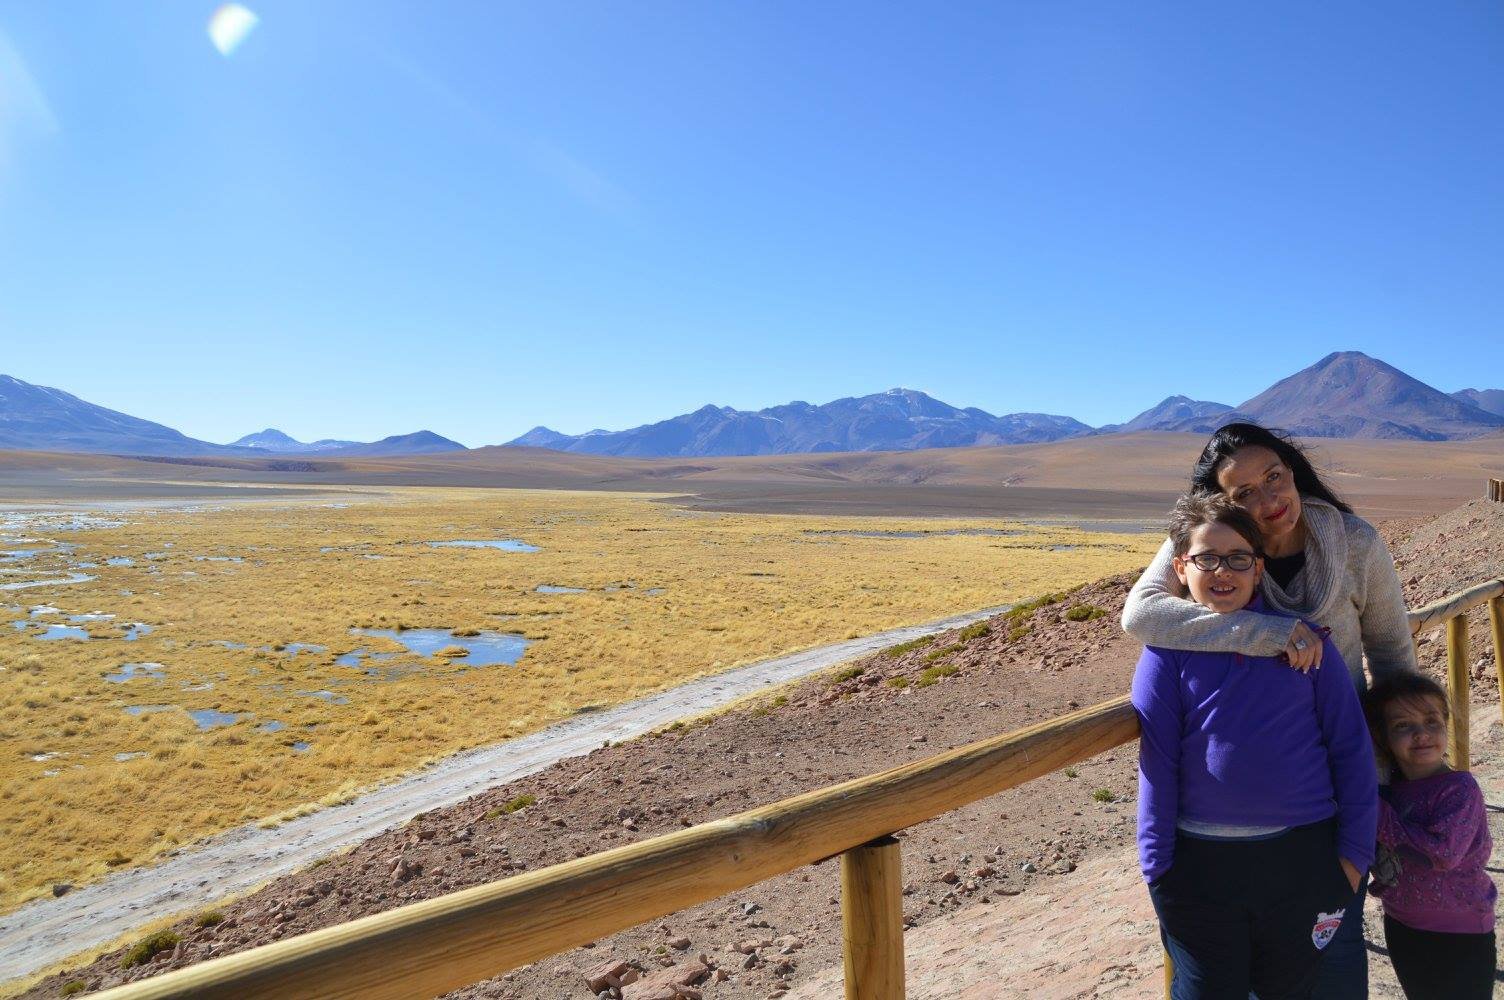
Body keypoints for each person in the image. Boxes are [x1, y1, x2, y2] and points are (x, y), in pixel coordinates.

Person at [1122, 421, 1416, 997]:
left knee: (1327, 964)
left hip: (1339, 784)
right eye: (1242, 494)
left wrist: (1397, 780)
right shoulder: (1212, 543)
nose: (1266, 500)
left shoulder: (1354, 543)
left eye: (1274, 478)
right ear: (1218, 503)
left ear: (1294, 472)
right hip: (1228, 842)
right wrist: (1271, 633)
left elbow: (1392, 655)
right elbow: (1141, 615)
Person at [1363, 672, 1496, 999]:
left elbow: (1441, 854)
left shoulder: (1460, 789)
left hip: (1459, 934)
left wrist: (1371, 809)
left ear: (1446, 725)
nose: (1421, 734)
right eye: (1403, 726)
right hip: (1401, 924)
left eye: (1432, 722)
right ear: (1383, 737)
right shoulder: (1392, 791)